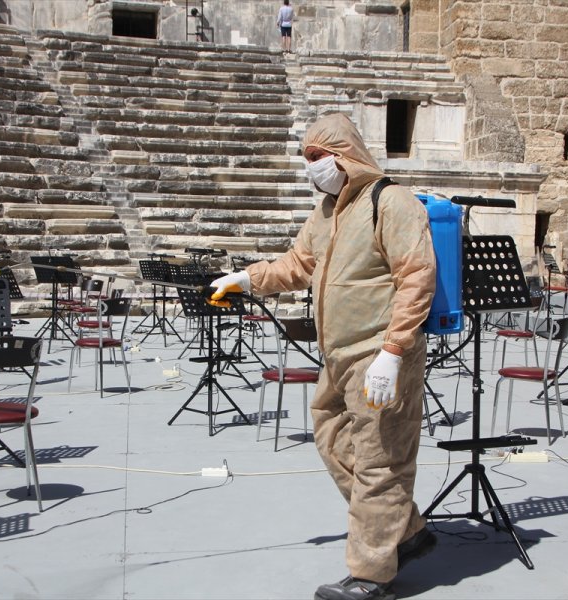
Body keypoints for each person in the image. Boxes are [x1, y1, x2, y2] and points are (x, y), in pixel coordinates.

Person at [209, 113, 438, 600]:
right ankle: (407, 531)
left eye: (317, 158)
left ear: (344, 154)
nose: (311, 167)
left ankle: (372, 575)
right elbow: (298, 265)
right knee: (332, 439)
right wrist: (247, 278)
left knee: (381, 462)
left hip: (379, 354)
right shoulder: (327, 211)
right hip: (337, 355)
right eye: (307, 159)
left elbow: (416, 277)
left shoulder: (391, 201)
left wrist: (394, 351)